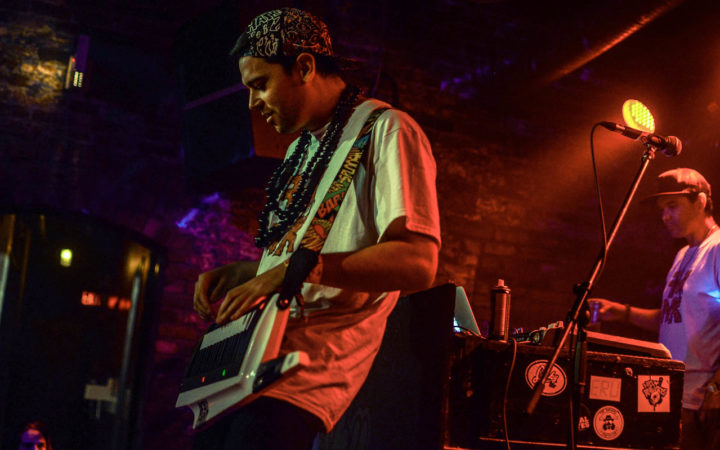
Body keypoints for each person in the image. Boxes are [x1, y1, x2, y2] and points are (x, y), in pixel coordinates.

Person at [191, 7, 440, 450]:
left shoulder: (387, 131)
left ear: (304, 67)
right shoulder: (300, 150)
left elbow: (418, 262)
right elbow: (298, 261)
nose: (251, 103)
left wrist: (291, 271)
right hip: (249, 366)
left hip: (302, 377)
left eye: (260, 84)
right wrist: (248, 272)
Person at [591, 168, 720, 449]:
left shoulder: (717, 248)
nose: (665, 216)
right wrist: (624, 313)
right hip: (665, 393)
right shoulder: (682, 255)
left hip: (699, 402)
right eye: (662, 210)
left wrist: (717, 389)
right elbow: (674, 318)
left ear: (700, 201)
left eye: (672, 206)